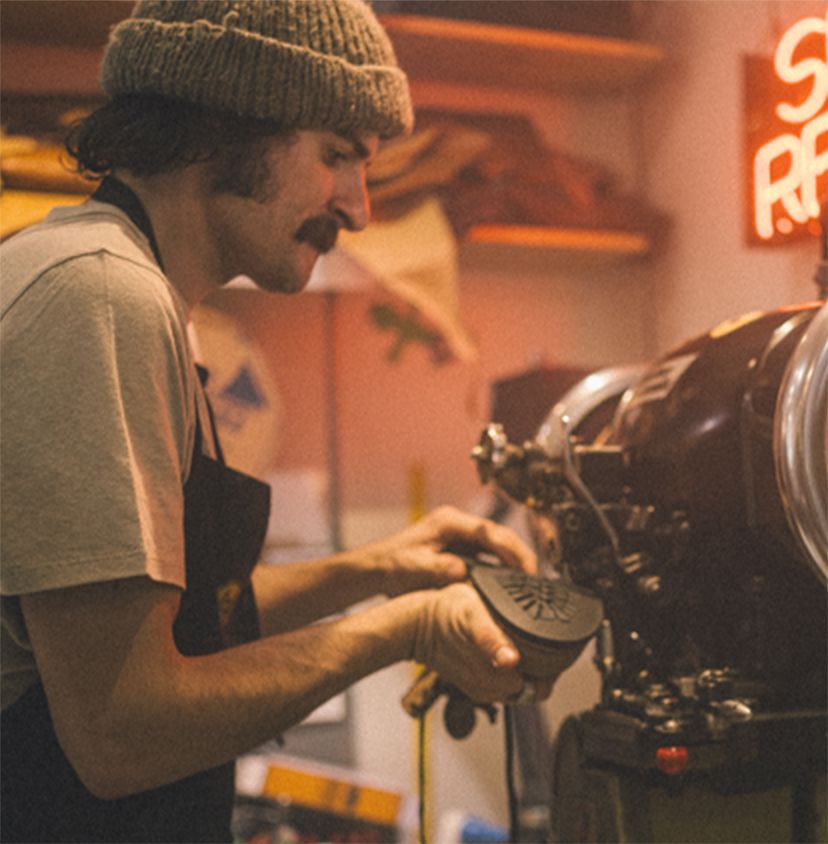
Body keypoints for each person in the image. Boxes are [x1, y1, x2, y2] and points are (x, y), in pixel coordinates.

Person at [0, 1, 549, 841]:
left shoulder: (131, 290)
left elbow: (174, 627)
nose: (360, 208)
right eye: (338, 156)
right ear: (226, 126)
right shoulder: (100, 294)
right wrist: (404, 629)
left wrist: (379, 569)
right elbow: (120, 729)